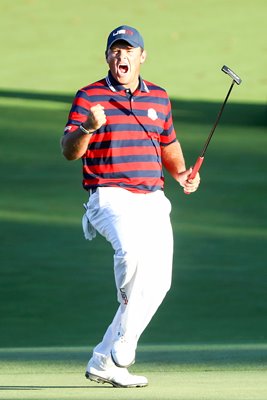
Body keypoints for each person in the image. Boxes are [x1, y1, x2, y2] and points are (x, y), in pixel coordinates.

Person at [61, 25, 200, 388]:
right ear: (107, 56)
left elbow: (167, 143)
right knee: (133, 254)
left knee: (160, 281)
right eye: (115, 50)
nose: (121, 56)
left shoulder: (159, 97)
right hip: (108, 195)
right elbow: (68, 151)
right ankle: (126, 340)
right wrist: (88, 128)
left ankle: (104, 361)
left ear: (142, 56)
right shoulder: (89, 96)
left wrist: (182, 173)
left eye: (129, 50)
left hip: (153, 197)